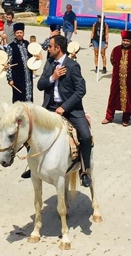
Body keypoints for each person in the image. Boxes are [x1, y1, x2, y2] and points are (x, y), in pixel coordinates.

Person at [36, 35, 92, 187]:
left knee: (86, 136)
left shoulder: (73, 65)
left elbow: (81, 90)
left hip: (71, 109)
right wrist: (52, 77)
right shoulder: (49, 63)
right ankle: (33, 166)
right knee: (32, 129)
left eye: (50, 46)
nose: (48, 49)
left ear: (57, 48)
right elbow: (40, 85)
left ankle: (84, 171)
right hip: (50, 107)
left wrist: (64, 107)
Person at [102, 30, 131, 126]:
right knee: (113, 97)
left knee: (129, 97)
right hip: (117, 79)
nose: (125, 42)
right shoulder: (116, 50)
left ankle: (126, 118)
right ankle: (109, 117)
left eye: (127, 41)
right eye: (124, 40)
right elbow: (112, 61)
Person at [3, 23, 33, 103]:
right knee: (18, 99)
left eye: (21, 33)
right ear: (15, 34)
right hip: (17, 77)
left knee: (29, 96)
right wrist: (10, 78)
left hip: (28, 76)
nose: (19, 34)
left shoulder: (27, 44)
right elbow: (8, 64)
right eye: (17, 33)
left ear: (23, 33)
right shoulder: (11, 46)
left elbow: (32, 58)